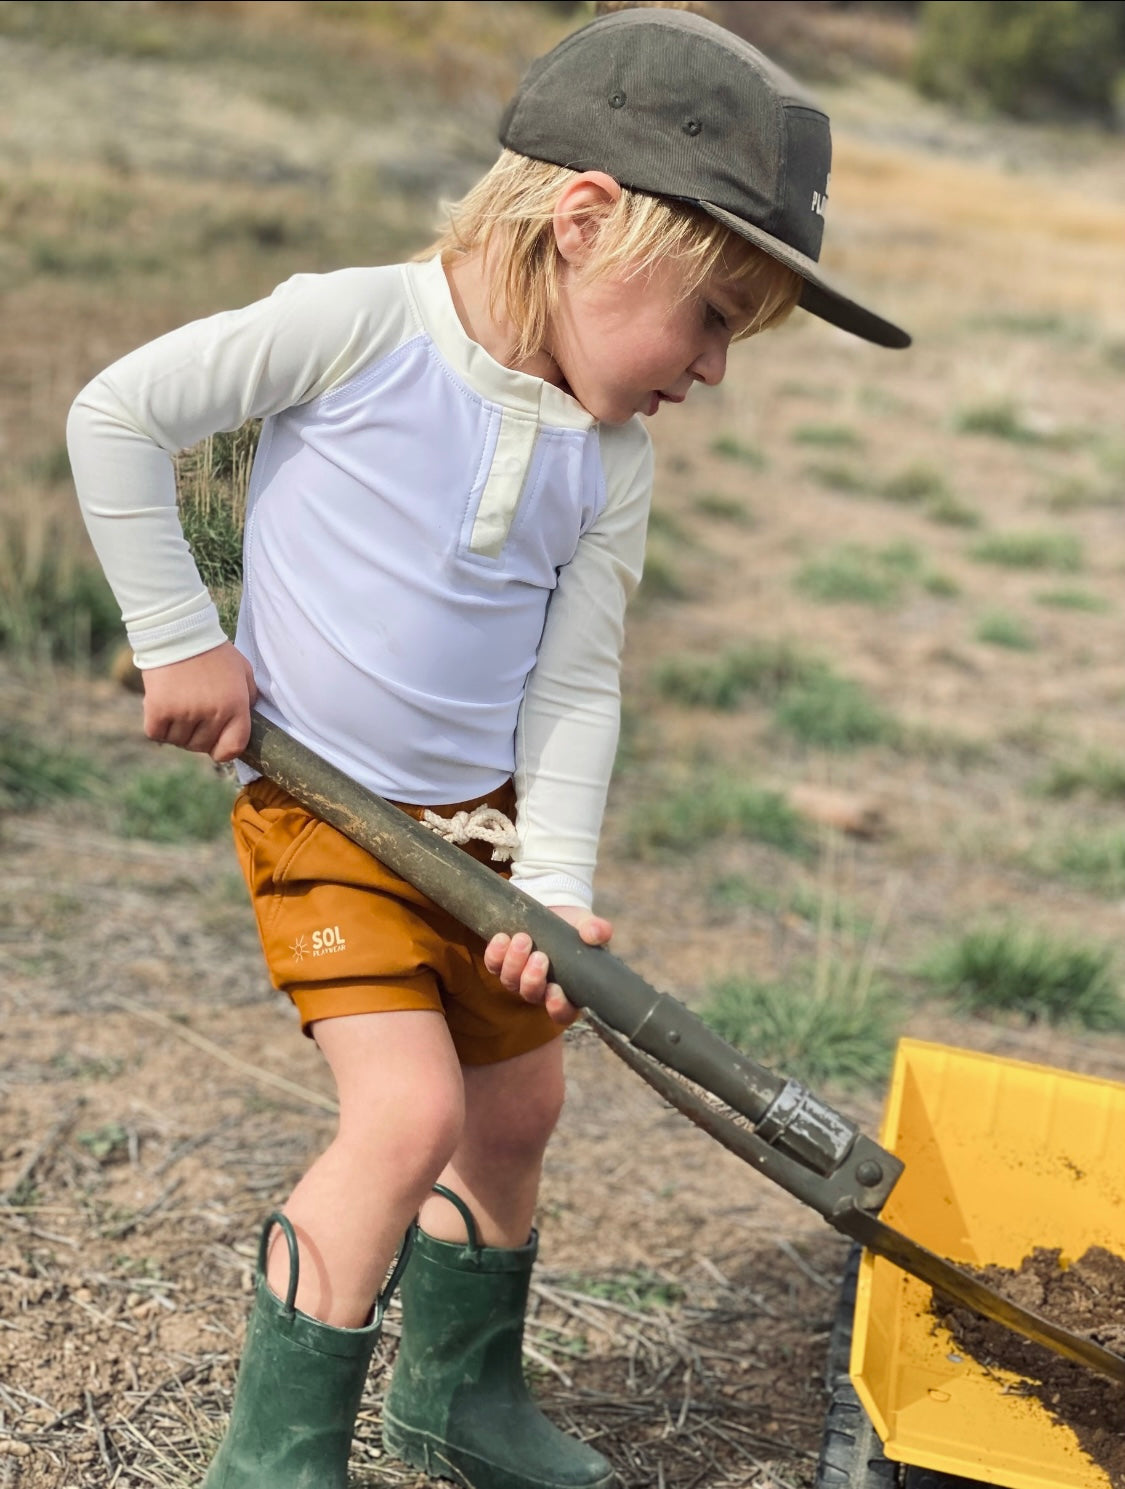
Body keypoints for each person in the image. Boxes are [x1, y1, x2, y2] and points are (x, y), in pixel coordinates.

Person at [67, 6, 909, 1487]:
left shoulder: (610, 460)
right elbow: (119, 411)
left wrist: (555, 889)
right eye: (712, 316)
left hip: (487, 833)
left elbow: (576, 688)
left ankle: (457, 1395)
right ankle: (270, 1458)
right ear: (587, 220)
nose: (713, 368)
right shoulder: (361, 326)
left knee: (517, 1107)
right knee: (408, 1113)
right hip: (326, 814)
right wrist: (183, 635)